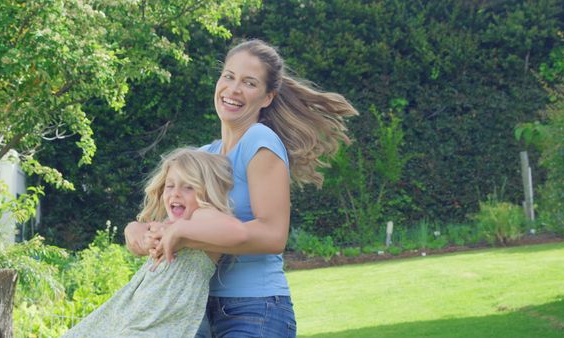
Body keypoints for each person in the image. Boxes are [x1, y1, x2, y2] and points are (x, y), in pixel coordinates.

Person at [125, 39, 358, 337]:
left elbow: (273, 236)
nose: (233, 90)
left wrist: (186, 236)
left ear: (266, 97)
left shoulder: (259, 141)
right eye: (228, 76)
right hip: (196, 308)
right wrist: (139, 232)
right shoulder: (205, 155)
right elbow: (171, 222)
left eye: (249, 83)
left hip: (254, 310)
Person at [64, 148, 247, 338]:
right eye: (170, 186)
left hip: (159, 326)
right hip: (131, 316)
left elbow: (238, 232)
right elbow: (136, 231)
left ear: (207, 191)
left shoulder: (201, 215)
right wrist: (142, 234)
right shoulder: (165, 223)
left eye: (188, 187)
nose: (175, 194)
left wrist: (179, 231)